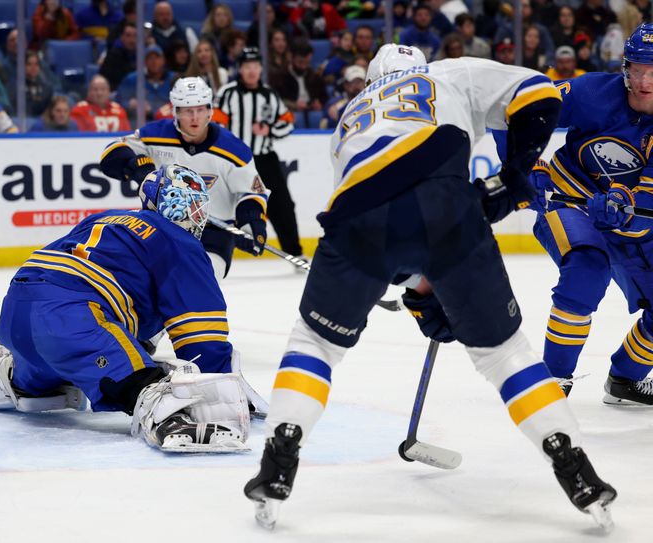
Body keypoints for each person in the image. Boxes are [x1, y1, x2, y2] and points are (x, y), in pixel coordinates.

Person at [243, 45, 617, 530]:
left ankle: (279, 454)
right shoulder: (448, 73)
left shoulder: (349, 121)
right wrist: (515, 174)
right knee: (505, 355)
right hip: (445, 203)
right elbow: (539, 92)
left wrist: (421, 291)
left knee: (314, 343)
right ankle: (575, 468)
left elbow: (389, 238)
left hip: (356, 215)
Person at [0, 164, 251, 452]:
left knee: (48, 382)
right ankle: (166, 416)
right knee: (142, 383)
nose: (196, 216)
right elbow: (202, 332)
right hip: (72, 318)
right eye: (191, 207)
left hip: (16, 311)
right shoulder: (178, 239)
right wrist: (219, 388)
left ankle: (6, 373)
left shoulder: (105, 218)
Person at [529, 23, 653, 405]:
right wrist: (526, 163)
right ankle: (553, 381)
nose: (646, 80)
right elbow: (521, 108)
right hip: (568, 201)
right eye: (638, 69)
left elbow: (645, 208)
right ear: (625, 68)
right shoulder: (592, 91)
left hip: (632, 225)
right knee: (587, 267)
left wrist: (622, 206)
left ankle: (625, 379)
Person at [99, 76, 269, 282]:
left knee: (198, 282)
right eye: (188, 111)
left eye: (200, 109)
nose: (195, 117)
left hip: (214, 234)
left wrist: (251, 223)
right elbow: (112, 152)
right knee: (140, 284)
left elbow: (251, 192)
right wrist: (137, 169)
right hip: (162, 228)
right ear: (176, 112)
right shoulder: (155, 135)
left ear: (209, 110)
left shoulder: (234, 150)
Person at [214, 48, 303, 261]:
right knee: (223, 203)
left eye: (255, 66)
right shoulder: (228, 93)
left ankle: (294, 252)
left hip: (265, 158)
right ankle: (217, 251)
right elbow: (216, 124)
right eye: (247, 66)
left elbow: (287, 122)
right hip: (233, 159)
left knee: (282, 205)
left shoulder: (269, 95)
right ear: (240, 69)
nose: (252, 71)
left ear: (261, 68)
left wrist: (269, 130)